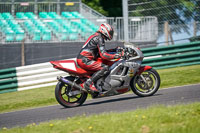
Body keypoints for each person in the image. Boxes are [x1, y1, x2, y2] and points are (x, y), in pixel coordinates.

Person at [77, 23, 123, 93]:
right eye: (110, 32)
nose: (111, 34)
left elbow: (101, 51)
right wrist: (116, 56)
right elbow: (103, 55)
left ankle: (98, 85)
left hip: (84, 59)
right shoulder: (99, 38)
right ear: (105, 30)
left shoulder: (97, 36)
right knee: (105, 68)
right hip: (85, 60)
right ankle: (88, 83)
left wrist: (114, 50)